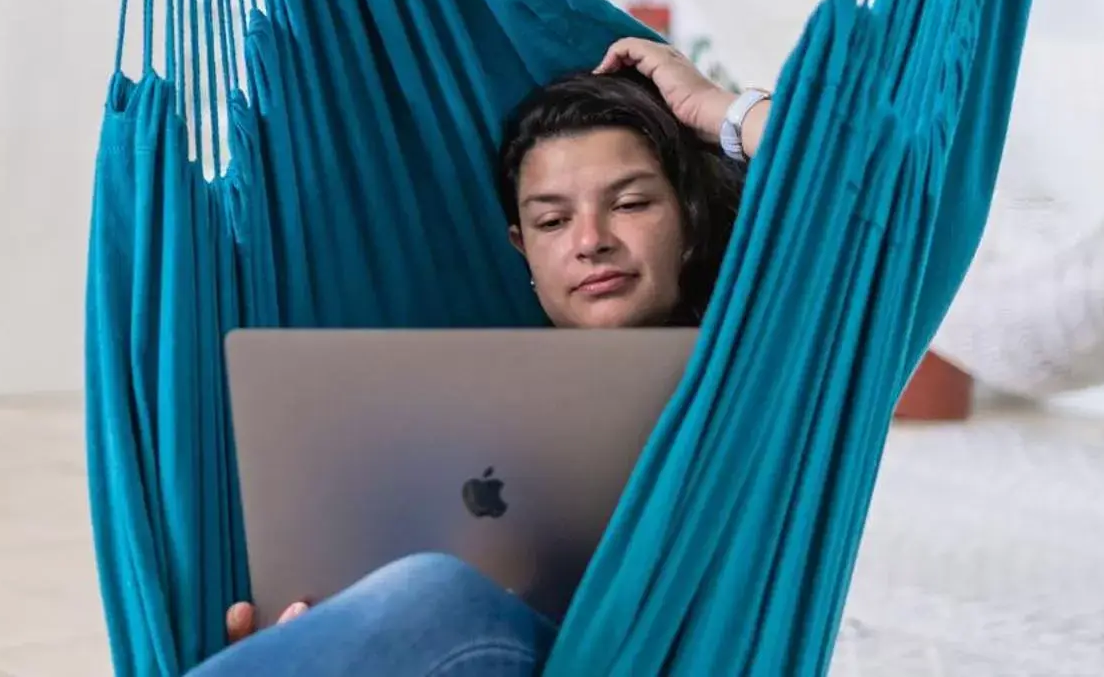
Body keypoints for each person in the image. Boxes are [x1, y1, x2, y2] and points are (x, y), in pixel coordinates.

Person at [191, 37, 774, 677]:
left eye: (631, 204)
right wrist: (322, 636)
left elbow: (893, 214)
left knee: (434, 594)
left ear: (688, 220)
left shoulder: (763, 366)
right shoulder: (456, 410)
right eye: (552, 222)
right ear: (521, 249)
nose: (590, 242)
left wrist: (722, 109)